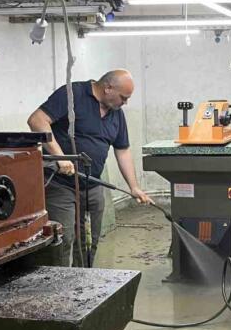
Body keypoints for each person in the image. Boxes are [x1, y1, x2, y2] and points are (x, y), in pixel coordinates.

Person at [28, 69, 153, 266]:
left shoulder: (116, 114)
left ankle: (84, 280)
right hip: (61, 184)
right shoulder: (73, 94)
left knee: (88, 241)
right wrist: (60, 157)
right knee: (63, 240)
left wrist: (134, 187)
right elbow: (37, 120)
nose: (125, 103)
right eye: (123, 97)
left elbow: (122, 150)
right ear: (108, 88)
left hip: (92, 186)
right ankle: (59, 283)